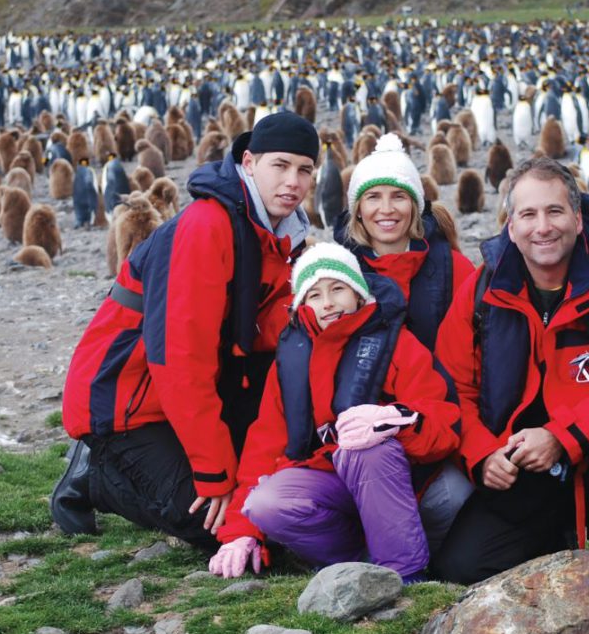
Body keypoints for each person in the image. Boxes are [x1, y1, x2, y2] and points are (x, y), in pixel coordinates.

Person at [52, 111, 320, 549]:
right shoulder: (207, 227)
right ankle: (96, 474)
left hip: (201, 389)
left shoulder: (274, 231)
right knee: (214, 524)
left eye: (305, 170)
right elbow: (178, 358)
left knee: (258, 503)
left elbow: (256, 323)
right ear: (249, 163)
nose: (293, 181)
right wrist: (214, 470)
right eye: (281, 165)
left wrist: (311, 311)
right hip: (129, 403)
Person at [432, 156, 589, 585]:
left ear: (579, 218)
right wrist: (481, 457)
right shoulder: (481, 293)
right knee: (461, 571)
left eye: (554, 211)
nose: (542, 227)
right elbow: (454, 392)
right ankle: (552, 541)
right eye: (528, 214)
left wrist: (563, 437)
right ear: (510, 227)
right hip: (522, 469)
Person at [208, 242, 461, 581]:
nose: (327, 302)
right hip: (331, 486)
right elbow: (263, 448)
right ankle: (359, 566)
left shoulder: (397, 344)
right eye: (313, 295)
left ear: (358, 294)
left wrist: (398, 420)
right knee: (265, 503)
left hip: (400, 486)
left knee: (366, 449)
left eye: (337, 289)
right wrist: (241, 531)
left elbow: (445, 423)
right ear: (301, 306)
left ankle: (405, 573)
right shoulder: (290, 362)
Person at [334, 132, 476, 552]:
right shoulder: (338, 273)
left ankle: (409, 553)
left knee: (456, 496)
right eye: (373, 197)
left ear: (416, 204)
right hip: (357, 433)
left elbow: (482, 352)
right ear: (356, 208)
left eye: (398, 196)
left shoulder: (452, 268)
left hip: (437, 426)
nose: (386, 209)